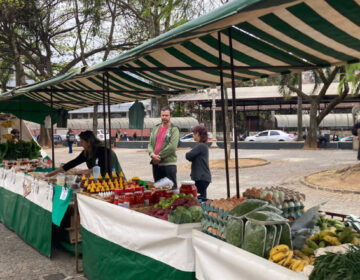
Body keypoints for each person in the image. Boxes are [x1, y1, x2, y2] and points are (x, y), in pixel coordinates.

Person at [46, 130, 123, 177]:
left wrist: (87, 171)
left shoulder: (103, 150)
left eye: (82, 141)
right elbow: (74, 162)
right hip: (99, 177)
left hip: (113, 177)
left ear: (88, 142)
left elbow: (103, 166)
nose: (81, 143)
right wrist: (55, 172)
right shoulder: (87, 151)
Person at [148, 106, 180, 189]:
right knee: (158, 190)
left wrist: (158, 156)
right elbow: (150, 144)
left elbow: (172, 147)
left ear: (170, 116)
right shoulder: (155, 128)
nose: (164, 117)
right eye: (162, 115)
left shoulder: (174, 129)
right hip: (156, 165)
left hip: (168, 165)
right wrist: (152, 154)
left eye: (166, 115)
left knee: (171, 190)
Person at [185, 126, 211, 199]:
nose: (193, 135)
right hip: (202, 177)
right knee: (201, 198)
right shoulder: (202, 145)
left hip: (201, 178)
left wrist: (190, 155)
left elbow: (188, 155)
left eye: (194, 133)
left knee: (199, 199)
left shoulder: (200, 146)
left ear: (198, 134)